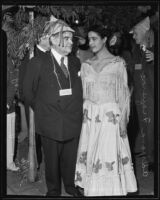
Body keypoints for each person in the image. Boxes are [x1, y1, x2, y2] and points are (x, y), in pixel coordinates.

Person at [23, 16, 83, 197]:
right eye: (67, 38)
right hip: (50, 121)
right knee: (51, 160)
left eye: (71, 38)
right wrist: (43, 109)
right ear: (54, 39)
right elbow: (27, 92)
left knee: (70, 157)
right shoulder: (38, 62)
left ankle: (71, 186)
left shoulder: (75, 62)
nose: (71, 42)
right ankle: (54, 189)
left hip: (72, 119)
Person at [74, 24, 137, 196]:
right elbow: (84, 94)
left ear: (105, 40)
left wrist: (123, 121)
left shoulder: (118, 64)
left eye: (94, 39)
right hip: (91, 118)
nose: (90, 42)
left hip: (111, 118)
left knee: (108, 156)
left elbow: (124, 95)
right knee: (93, 155)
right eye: (89, 39)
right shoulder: (86, 65)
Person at [18, 25, 51, 170]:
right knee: (36, 135)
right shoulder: (31, 54)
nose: (51, 39)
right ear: (41, 38)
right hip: (35, 103)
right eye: (49, 36)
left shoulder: (53, 54)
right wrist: (32, 103)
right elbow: (23, 82)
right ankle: (36, 163)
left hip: (51, 103)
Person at [129, 16, 154, 171]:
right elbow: (133, 73)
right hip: (139, 98)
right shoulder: (136, 52)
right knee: (144, 128)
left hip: (151, 99)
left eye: (135, 33)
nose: (133, 36)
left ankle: (152, 159)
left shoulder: (153, 51)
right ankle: (148, 156)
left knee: (151, 128)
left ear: (145, 33)